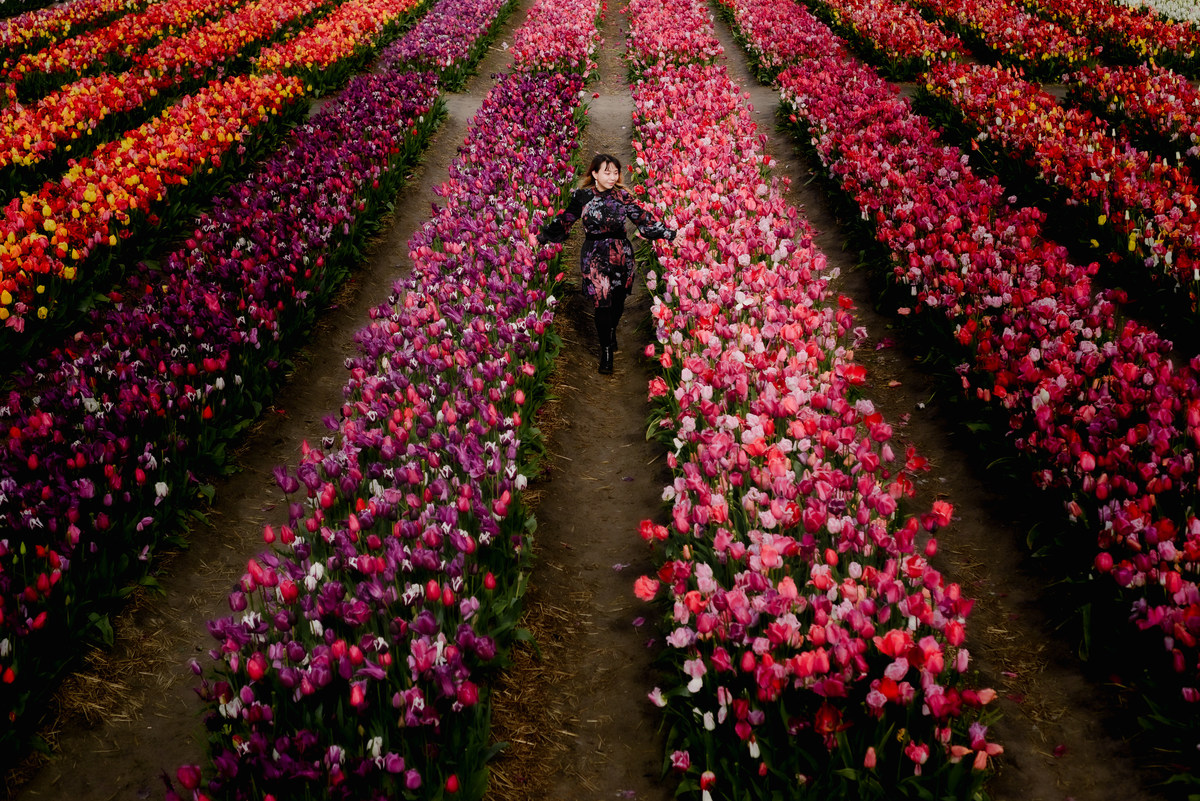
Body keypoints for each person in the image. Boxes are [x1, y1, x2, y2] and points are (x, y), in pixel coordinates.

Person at [537, 153, 676, 374]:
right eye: (607, 172)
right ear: (595, 174)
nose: (612, 177)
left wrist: (669, 233)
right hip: (594, 255)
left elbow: (642, 219)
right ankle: (607, 353)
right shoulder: (582, 197)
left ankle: (610, 332)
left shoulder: (623, 196)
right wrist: (543, 236)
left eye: (615, 173)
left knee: (618, 300)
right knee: (602, 301)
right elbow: (566, 220)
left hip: (621, 254)